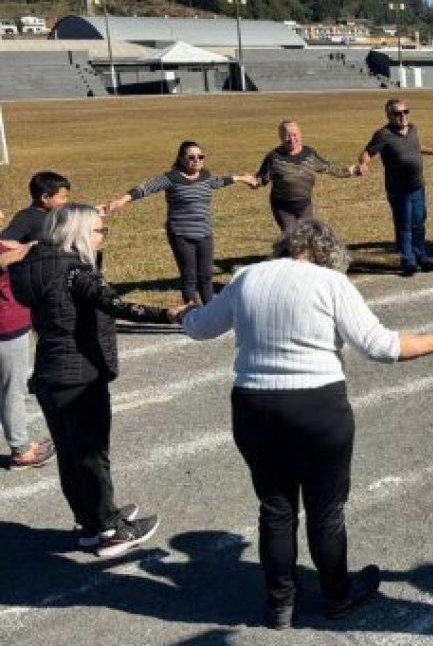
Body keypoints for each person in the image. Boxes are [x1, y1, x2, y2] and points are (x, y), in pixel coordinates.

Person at [179, 219, 433, 628]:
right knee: (325, 510)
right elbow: (381, 346)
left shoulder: (246, 277)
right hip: (316, 406)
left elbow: (199, 328)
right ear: (327, 254)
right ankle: (337, 596)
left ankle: (280, 603)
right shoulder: (331, 283)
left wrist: (186, 313)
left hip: (254, 404)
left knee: (276, 507)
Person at [9, 204, 187, 557]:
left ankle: (90, 522)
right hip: (79, 376)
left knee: (70, 455)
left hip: (48, 374)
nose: (102, 237)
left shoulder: (31, 267)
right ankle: (110, 529)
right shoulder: (74, 272)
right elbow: (115, 304)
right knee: (92, 455)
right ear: (78, 232)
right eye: (98, 231)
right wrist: (168, 313)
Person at [105, 141, 256, 305]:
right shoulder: (172, 178)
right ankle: (192, 318)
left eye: (200, 157)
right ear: (181, 159)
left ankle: (210, 314)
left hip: (204, 232)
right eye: (191, 157)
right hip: (180, 233)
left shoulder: (205, 176)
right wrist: (122, 200)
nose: (197, 160)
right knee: (190, 276)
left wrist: (242, 178)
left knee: (206, 276)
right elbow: (145, 188)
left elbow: (218, 181)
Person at [356, 99, 433, 277]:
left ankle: (421, 256)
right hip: (399, 190)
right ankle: (408, 261)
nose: (403, 116)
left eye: (406, 112)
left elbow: (415, 147)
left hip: (418, 187)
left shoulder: (413, 129)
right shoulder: (383, 134)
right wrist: (363, 164)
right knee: (404, 226)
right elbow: (367, 152)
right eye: (397, 113)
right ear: (389, 116)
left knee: (419, 224)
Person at [0, 233, 51, 470]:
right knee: (13, 389)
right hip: (6, 328)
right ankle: (21, 450)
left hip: (9, 326)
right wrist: (31, 247)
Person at [255, 120, 361, 231]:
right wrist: (246, 180)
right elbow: (260, 180)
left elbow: (328, 167)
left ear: (300, 135)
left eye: (294, 135)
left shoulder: (309, 154)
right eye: (287, 136)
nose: (292, 139)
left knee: (307, 234)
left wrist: (349, 171)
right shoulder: (274, 158)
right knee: (291, 236)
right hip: (282, 206)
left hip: (304, 204)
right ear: (281, 138)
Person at [0, 171, 71, 244]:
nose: (66, 201)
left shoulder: (57, 214)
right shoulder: (26, 218)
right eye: (63, 198)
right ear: (45, 198)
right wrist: (30, 247)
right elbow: (4, 242)